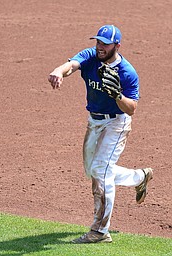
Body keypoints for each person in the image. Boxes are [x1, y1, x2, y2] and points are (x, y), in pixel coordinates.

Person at [48, 25, 153, 243]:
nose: (100, 47)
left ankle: (100, 232)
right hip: (94, 121)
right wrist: (59, 72)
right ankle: (139, 177)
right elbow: (71, 65)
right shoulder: (91, 56)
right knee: (94, 170)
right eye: (98, 42)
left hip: (116, 123)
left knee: (100, 172)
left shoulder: (127, 72)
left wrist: (116, 95)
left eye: (105, 43)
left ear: (117, 45)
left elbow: (131, 108)